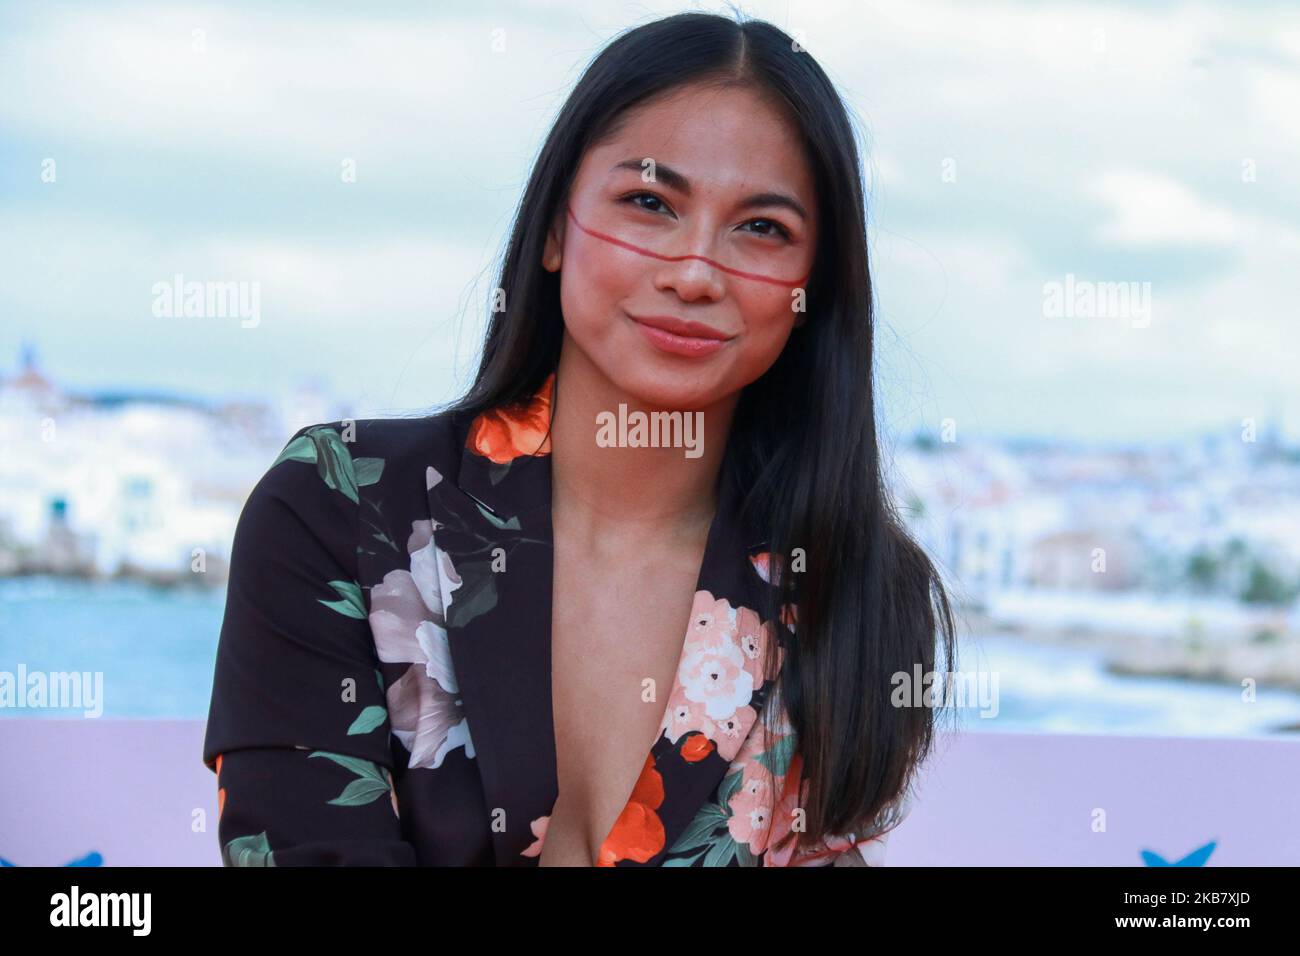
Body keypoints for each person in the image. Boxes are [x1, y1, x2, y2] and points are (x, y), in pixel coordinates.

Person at [202, 9, 956, 867]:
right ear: (556, 228)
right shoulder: (339, 505)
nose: (695, 271)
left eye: (761, 228)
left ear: (810, 287)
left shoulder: (852, 590)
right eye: (648, 202)